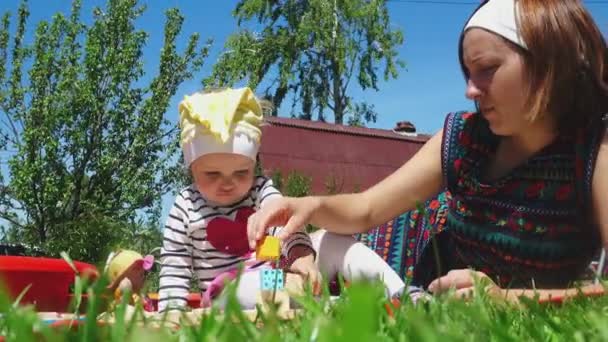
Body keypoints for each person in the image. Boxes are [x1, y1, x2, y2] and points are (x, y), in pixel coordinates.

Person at [247, 0, 608, 303]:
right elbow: (368, 208)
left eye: (486, 70)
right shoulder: (465, 136)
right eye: (467, 73)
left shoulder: (593, 153)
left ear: (548, 63)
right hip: (353, 252)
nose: (470, 90)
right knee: (274, 277)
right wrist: (310, 205)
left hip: (399, 287)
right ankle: (231, 296)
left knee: (287, 286)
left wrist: (504, 298)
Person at [158, 87, 405, 312]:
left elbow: (288, 223)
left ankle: (403, 294)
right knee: (248, 286)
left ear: (253, 163)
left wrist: (300, 254)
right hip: (227, 289)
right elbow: (175, 264)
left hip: (282, 274)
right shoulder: (185, 205)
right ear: (192, 167)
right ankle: (329, 306)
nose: (227, 182)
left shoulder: (261, 190)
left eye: (242, 172)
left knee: (334, 240)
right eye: (212, 174)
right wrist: (171, 313)